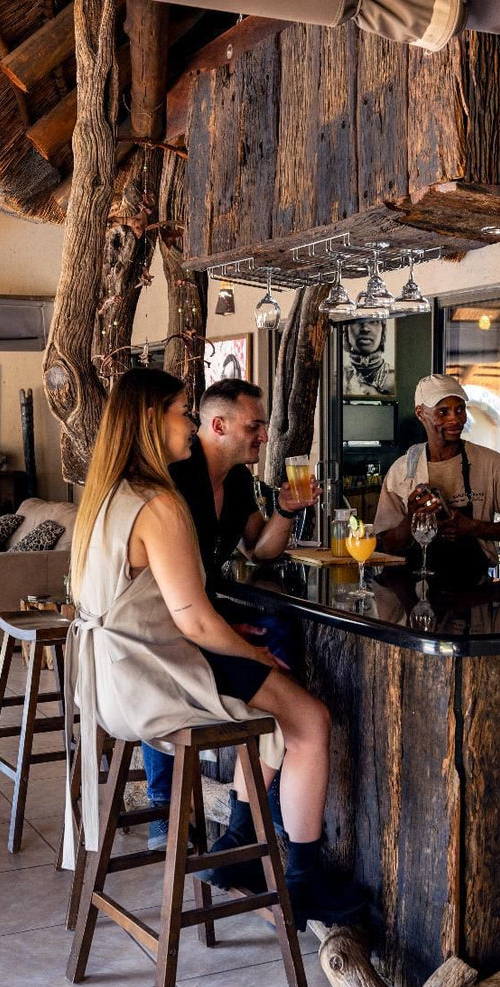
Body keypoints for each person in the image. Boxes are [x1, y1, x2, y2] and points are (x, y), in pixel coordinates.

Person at [67, 368, 361, 925]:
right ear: (153, 420)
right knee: (310, 718)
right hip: (157, 676)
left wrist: (242, 647)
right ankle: (302, 876)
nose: (191, 422)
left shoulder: (109, 494)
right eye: (184, 412)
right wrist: (252, 655)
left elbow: (228, 574)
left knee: (276, 703)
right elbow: (195, 619)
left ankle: (241, 847)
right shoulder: (161, 501)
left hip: (116, 677)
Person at [143, 379, 316, 871]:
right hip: (165, 622)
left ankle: (246, 816)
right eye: (254, 425)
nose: (264, 435)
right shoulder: (177, 475)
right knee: (265, 671)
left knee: (278, 638)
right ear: (218, 426)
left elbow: (259, 548)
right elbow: (167, 592)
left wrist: (285, 510)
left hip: (206, 606)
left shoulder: (238, 481)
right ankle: (166, 804)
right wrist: (231, 639)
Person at [374, 374, 500, 573]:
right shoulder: (402, 471)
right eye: (443, 412)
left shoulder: (491, 463)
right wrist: (412, 519)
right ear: (421, 413)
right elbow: (385, 545)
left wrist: (471, 527)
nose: (455, 419)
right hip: (414, 588)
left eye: (460, 410)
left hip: (475, 588)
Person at [341, 319, 395, 397]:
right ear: (346, 330)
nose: (365, 329)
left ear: (383, 330)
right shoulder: (335, 381)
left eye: (373, 321)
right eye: (357, 320)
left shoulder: (396, 380)